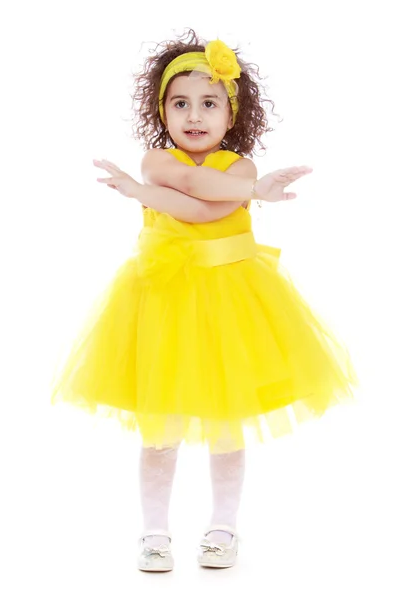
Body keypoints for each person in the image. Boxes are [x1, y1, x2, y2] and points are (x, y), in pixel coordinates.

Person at [50, 29, 359, 572]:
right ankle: (153, 532)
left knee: (226, 424)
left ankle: (223, 528)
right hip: (161, 306)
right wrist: (157, 190)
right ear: (162, 111)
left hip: (230, 307)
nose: (195, 115)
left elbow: (201, 206)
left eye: (209, 103)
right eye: (181, 103)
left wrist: (242, 192)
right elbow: (186, 190)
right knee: (160, 429)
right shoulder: (155, 160)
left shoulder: (239, 171)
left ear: (232, 114)